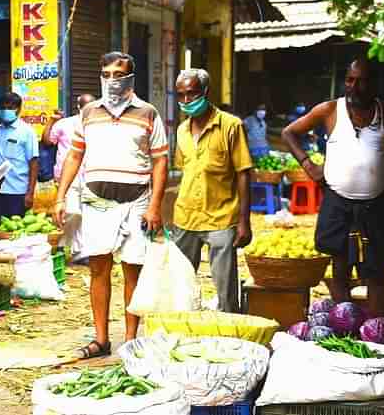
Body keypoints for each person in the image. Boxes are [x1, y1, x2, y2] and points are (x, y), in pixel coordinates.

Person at [282, 57, 384, 317]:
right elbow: (289, 132)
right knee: (339, 266)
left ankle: (376, 327)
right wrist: (308, 165)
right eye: (350, 80)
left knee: (376, 269)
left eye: (362, 81)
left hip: (376, 203)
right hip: (338, 201)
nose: (355, 87)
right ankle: (344, 324)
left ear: (374, 84)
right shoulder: (329, 110)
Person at [53, 52, 168, 358]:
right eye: (106, 74)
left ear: (131, 77)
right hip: (97, 202)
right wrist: (60, 196)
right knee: (99, 268)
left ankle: (130, 340)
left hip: (137, 202)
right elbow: (74, 156)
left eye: (119, 74)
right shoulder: (88, 113)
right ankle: (101, 339)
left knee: (133, 271)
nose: (112, 80)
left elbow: (160, 161)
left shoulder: (148, 113)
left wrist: (155, 205)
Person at [172, 69, 253, 313]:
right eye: (181, 95)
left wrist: (244, 221)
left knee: (225, 287)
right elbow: (183, 170)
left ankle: (230, 330)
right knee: (180, 283)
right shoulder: (182, 130)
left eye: (192, 94)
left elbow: (243, 173)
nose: (186, 101)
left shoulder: (231, 126)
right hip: (185, 217)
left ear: (205, 92)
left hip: (221, 216)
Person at [42, 93, 96, 262]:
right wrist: (51, 121)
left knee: (85, 215)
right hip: (67, 176)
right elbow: (47, 141)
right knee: (73, 212)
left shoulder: (97, 125)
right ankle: (57, 241)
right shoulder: (64, 124)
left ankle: (79, 252)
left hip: (90, 175)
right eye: (86, 107)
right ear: (79, 107)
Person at [0, 92, 39, 229]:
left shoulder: (27, 132)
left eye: (11, 107)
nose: (6, 111)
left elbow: (33, 163)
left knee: (18, 232)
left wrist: (30, 193)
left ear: (19, 109)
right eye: (3, 107)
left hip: (18, 193)